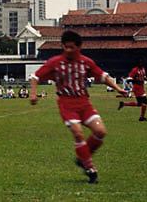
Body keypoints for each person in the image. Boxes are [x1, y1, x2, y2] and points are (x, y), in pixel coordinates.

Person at [30, 30, 127, 184]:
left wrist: (118, 89)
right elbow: (35, 77)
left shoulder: (86, 62)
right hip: (67, 104)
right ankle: (90, 170)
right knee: (78, 133)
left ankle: (83, 157)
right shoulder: (55, 62)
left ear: (79, 47)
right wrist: (34, 95)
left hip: (84, 103)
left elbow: (102, 76)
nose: (68, 50)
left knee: (100, 131)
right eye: (65, 47)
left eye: (71, 47)